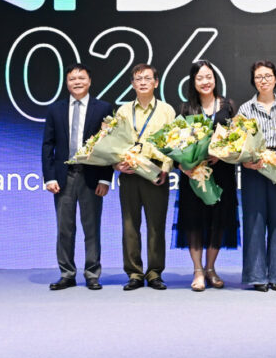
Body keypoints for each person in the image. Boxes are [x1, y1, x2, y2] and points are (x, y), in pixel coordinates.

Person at [41, 64, 112, 291]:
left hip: (91, 176)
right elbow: (48, 145)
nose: (77, 82)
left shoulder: (103, 108)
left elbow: (109, 145)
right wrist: (49, 177)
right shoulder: (55, 109)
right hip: (64, 177)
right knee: (65, 229)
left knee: (92, 228)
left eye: (81, 78)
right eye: (72, 79)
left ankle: (92, 274)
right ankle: (67, 274)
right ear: (67, 83)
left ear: (89, 81)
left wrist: (105, 179)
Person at [175, 60, 239, 292]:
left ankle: (211, 268)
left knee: (218, 221)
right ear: (193, 81)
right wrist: (182, 165)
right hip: (194, 173)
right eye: (200, 78)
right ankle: (198, 271)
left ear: (215, 79)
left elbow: (237, 139)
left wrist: (223, 153)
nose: (205, 81)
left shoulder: (228, 105)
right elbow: (175, 142)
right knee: (194, 222)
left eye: (209, 77)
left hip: (222, 173)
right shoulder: (185, 109)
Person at [114, 64, 176, 291]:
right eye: (138, 79)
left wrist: (166, 169)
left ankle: (154, 273)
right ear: (132, 84)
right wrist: (117, 164)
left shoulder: (166, 110)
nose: (142, 82)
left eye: (147, 78)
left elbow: (173, 142)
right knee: (130, 224)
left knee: (156, 225)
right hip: (130, 172)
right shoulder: (123, 111)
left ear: (156, 83)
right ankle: (134, 273)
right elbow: (114, 142)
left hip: (156, 174)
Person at [238, 60, 276, 292]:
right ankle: (256, 275)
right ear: (253, 81)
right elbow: (237, 142)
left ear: (275, 78)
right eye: (259, 77)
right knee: (254, 219)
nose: (263, 80)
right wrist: (246, 161)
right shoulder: (245, 109)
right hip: (254, 166)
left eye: (268, 76)